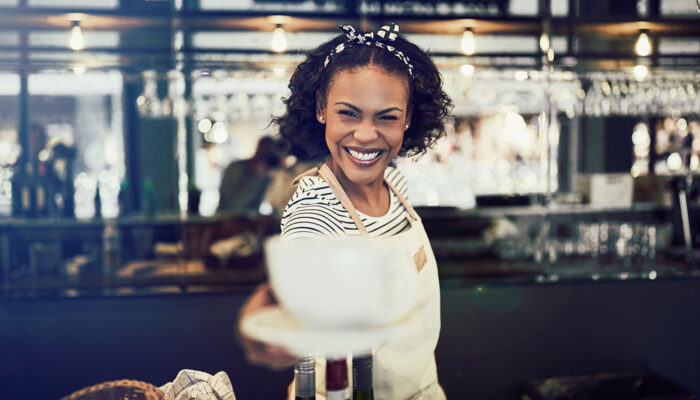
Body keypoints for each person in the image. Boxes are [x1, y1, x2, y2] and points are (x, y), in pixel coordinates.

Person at [238, 23, 452, 399]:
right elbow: (301, 280)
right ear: (322, 108)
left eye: (386, 116)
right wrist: (269, 314)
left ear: (407, 117)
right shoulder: (314, 208)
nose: (366, 135)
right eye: (349, 114)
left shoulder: (396, 187)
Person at [217, 136, 283, 213]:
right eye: (267, 151)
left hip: (248, 222)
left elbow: (259, 205)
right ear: (259, 149)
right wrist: (257, 177)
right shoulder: (235, 169)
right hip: (226, 220)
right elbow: (235, 204)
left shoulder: (265, 175)